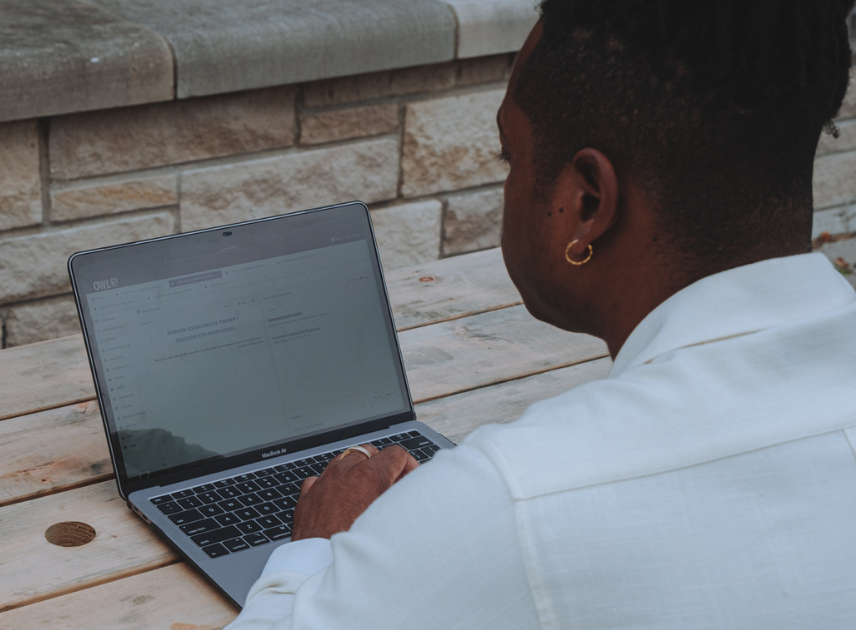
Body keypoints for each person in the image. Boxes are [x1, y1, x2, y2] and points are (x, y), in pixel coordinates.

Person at [226, 1, 856, 627]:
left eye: (509, 156)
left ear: (586, 203)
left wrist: (318, 545)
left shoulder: (515, 498)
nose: (506, 183)